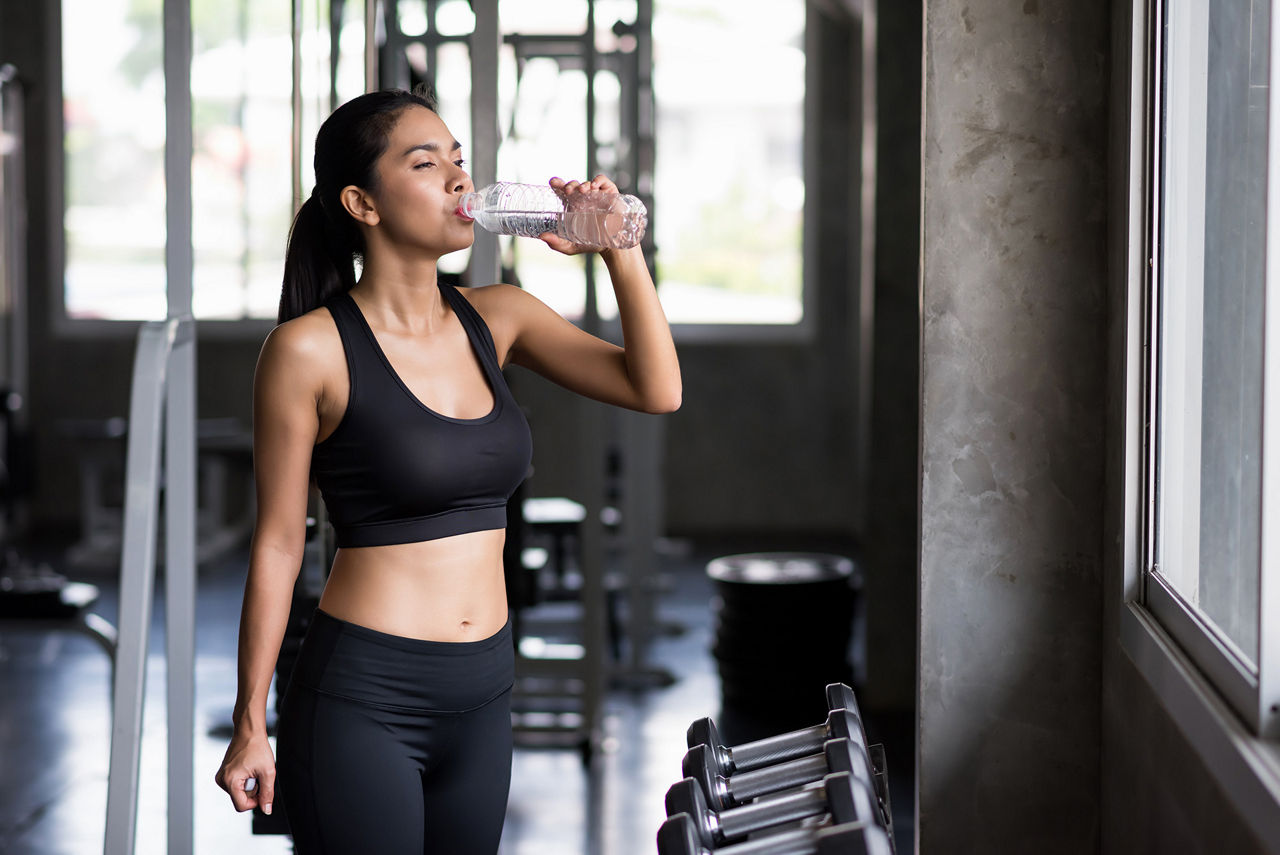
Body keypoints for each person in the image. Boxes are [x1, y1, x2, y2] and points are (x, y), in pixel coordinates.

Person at [213, 85, 680, 854]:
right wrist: (248, 722)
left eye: (459, 161)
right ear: (362, 202)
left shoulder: (500, 315)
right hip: (363, 696)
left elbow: (656, 388)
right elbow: (276, 545)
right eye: (427, 164)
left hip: (485, 691)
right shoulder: (307, 350)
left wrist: (618, 248)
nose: (460, 180)